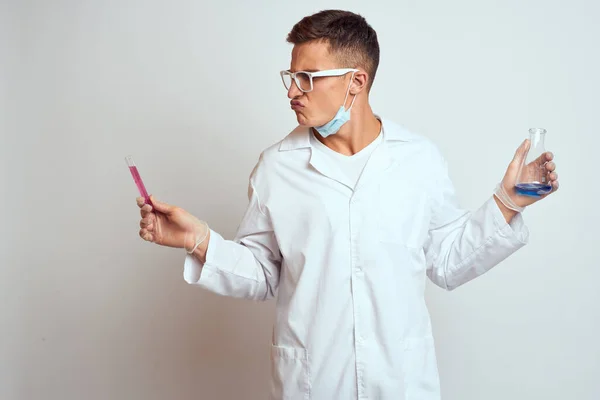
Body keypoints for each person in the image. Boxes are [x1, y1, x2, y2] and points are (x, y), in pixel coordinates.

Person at [135, 9, 559, 400]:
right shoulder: (276, 168)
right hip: (314, 382)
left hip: (400, 381)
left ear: (356, 81)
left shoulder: (418, 159)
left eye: (308, 77)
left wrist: (508, 202)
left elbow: (447, 263)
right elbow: (264, 274)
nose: (293, 92)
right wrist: (199, 241)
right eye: (291, 76)